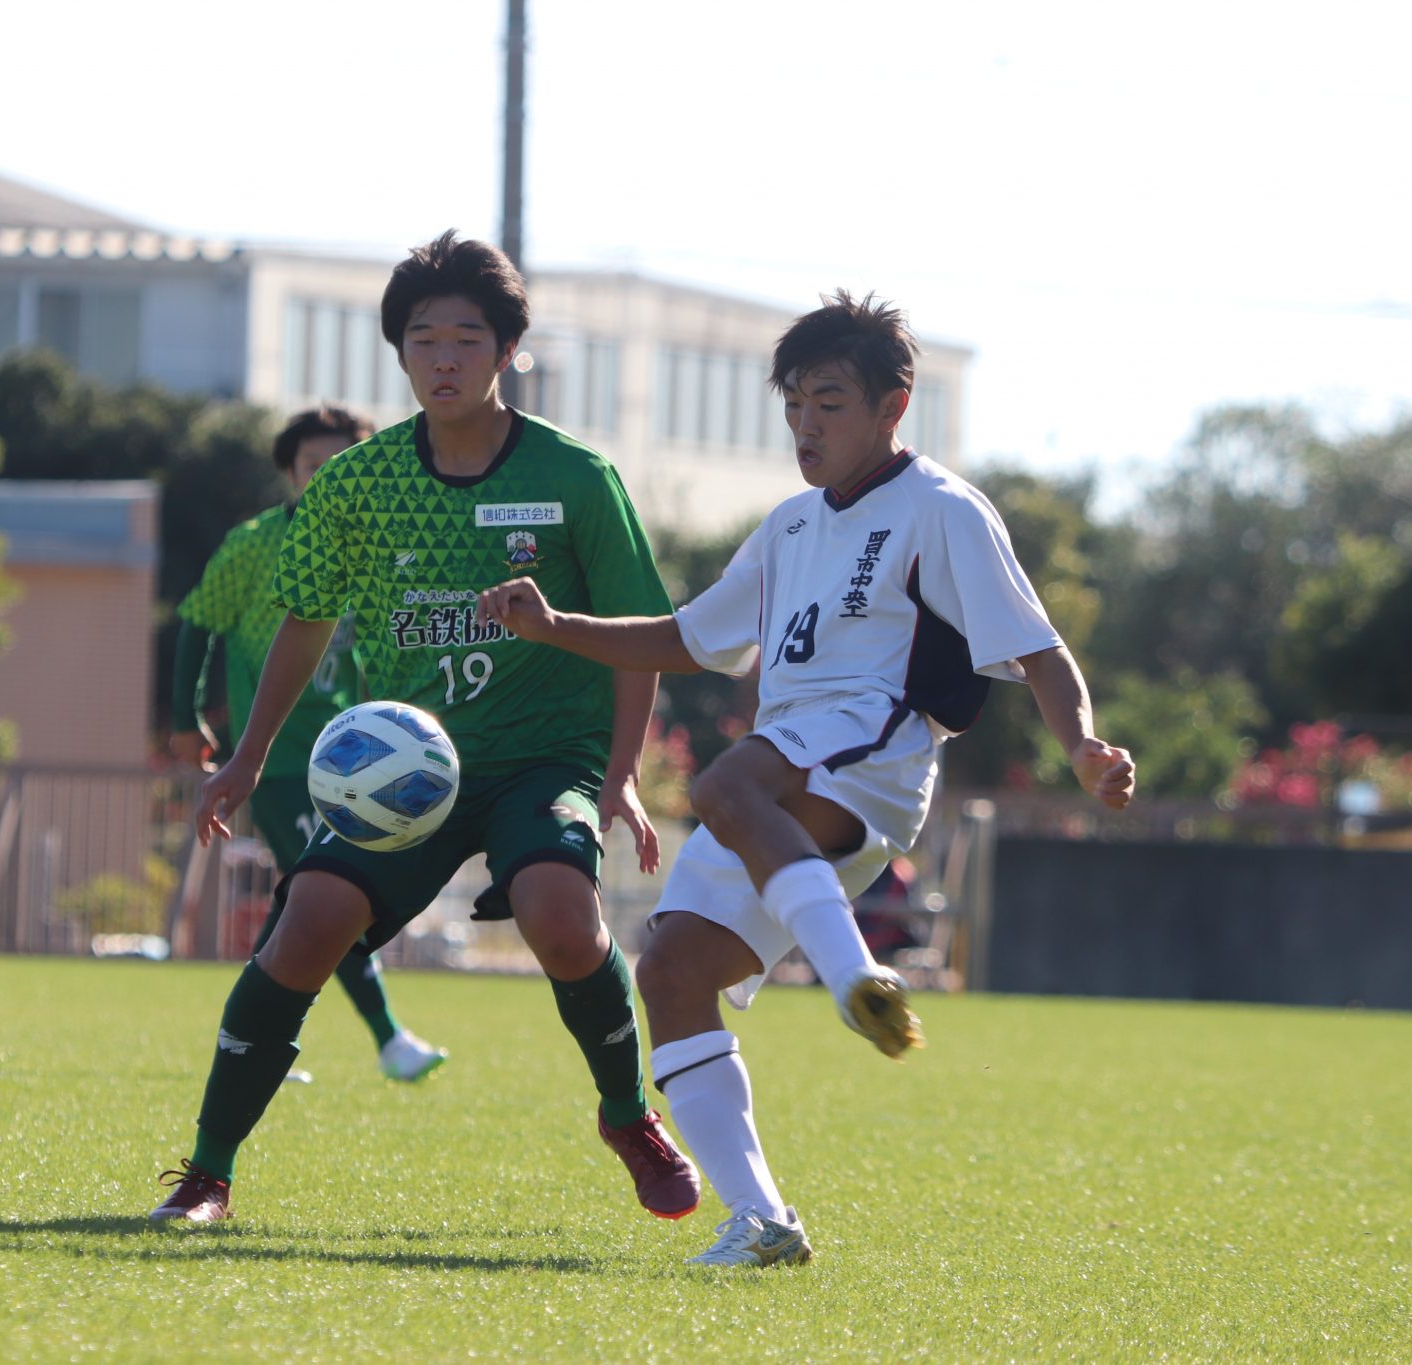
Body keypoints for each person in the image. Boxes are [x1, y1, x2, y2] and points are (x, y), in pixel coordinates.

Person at [477, 291, 1136, 1268]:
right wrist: (554, 626)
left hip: (873, 751)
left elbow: (1036, 647)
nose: (805, 426)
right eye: (793, 406)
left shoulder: (942, 509)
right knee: (669, 970)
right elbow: (688, 638)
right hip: (786, 771)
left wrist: (1080, 745)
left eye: (828, 403)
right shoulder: (788, 526)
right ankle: (762, 1219)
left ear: (892, 407)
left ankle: (853, 974)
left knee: (723, 786)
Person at [152, 230, 699, 1225]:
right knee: (303, 928)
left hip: (544, 759)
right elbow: (305, 621)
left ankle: (628, 1116)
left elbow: (639, 634)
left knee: (560, 916)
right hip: (407, 770)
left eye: (465, 339)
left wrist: (619, 773)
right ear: (398, 352)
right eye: (423, 340)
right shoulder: (355, 483)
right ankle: (206, 1174)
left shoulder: (576, 476)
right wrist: (246, 758)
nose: (443, 359)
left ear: (507, 350)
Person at [171, 403, 449, 1083]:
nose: (325, 477)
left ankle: (249, 1036)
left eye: (341, 464)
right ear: (289, 473)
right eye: (311, 465)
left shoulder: (384, 544)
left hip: (359, 758)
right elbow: (198, 622)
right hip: (279, 758)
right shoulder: (252, 544)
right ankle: (388, 1038)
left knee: (306, 898)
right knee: (333, 896)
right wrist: (184, 717)